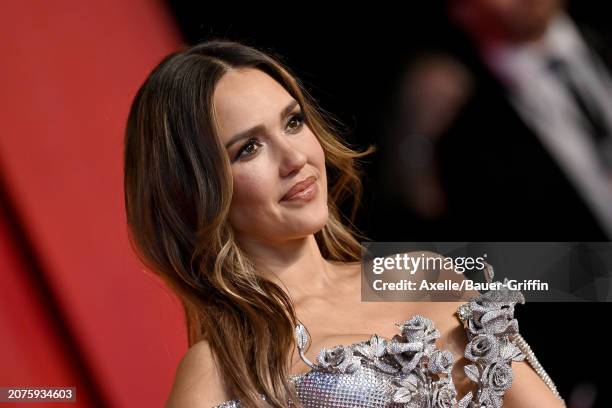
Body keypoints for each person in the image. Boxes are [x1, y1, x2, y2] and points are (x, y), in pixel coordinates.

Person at [123, 40, 565, 407]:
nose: (296, 159)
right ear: (195, 192)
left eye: (293, 123)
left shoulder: (422, 274)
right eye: (248, 149)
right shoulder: (217, 368)